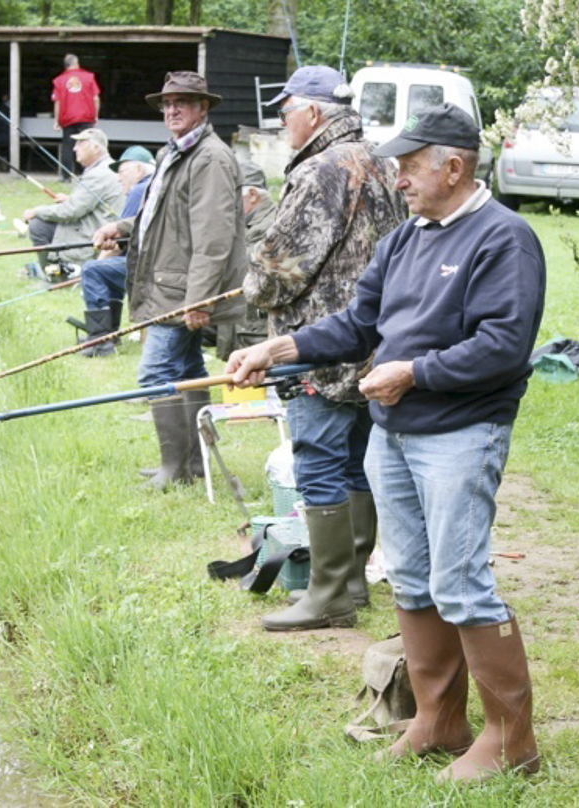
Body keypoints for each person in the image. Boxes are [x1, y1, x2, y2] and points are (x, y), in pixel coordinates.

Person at [226, 103, 545, 783]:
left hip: (460, 434)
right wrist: (278, 347)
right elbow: (357, 322)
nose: (396, 177)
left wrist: (415, 372)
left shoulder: (503, 239)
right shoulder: (406, 239)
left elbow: (502, 347)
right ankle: (438, 720)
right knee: (410, 578)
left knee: (461, 584)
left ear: (452, 167)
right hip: (393, 437)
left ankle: (512, 741)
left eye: (408, 164)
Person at [241, 66, 408, 633]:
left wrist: (253, 288)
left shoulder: (320, 169)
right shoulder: (384, 160)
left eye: (286, 111)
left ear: (313, 112)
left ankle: (331, 591)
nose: (283, 121)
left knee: (318, 462)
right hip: (375, 340)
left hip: (319, 343)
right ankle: (352, 579)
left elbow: (278, 267)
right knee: (358, 460)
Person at [93, 71, 246, 489]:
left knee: (156, 370)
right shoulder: (176, 152)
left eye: (182, 102)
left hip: (180, 291)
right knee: (189, 370)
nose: (172, 109)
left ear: (203, 108)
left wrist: (198, 300)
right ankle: (193, 466)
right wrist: (121, 228)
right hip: (169, 283)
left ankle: (173, 468)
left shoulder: (209, 158)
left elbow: (213, 237)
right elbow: (160, 216)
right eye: (166, 103)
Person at [77, 145, 156, 358]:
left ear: (139, 170)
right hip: (157, 259)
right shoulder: (156, 185)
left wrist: (95, 264)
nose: (118, 179)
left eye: (122, 172)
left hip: (150, 265)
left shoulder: (141, 189)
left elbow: (125, 233)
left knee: (94, 271)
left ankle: (101, 340)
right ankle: (108, 335)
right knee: (102, 271)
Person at [23, 128, 124, 276]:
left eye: (81, 144)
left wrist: (35, 211)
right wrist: (70, 199)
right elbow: (88, 203)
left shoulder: (98, 174)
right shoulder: (105, 167)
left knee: (38, 225)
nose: (75, 148)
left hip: (96, 234)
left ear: (96, 148)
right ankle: (57, 270)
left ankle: (56, 275)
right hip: (101, 226)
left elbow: (71, 211)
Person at [213, 159, 277, 361]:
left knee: (264, 384)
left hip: (256, 327)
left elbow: (246, 262)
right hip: (243, 325)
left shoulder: (273, 224)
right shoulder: (239, 222)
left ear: (253, 195)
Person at [52, 54, 101, 181]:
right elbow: (96, 98)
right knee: (88, 144)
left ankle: (66, 176)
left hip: (68, 118)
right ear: (77, 63)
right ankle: (88, 174)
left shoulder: (59, 80)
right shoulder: (89, 77)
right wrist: (95, 115)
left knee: (68, 147)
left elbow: (57, 102)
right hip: (86, 117)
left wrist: (56, 121)